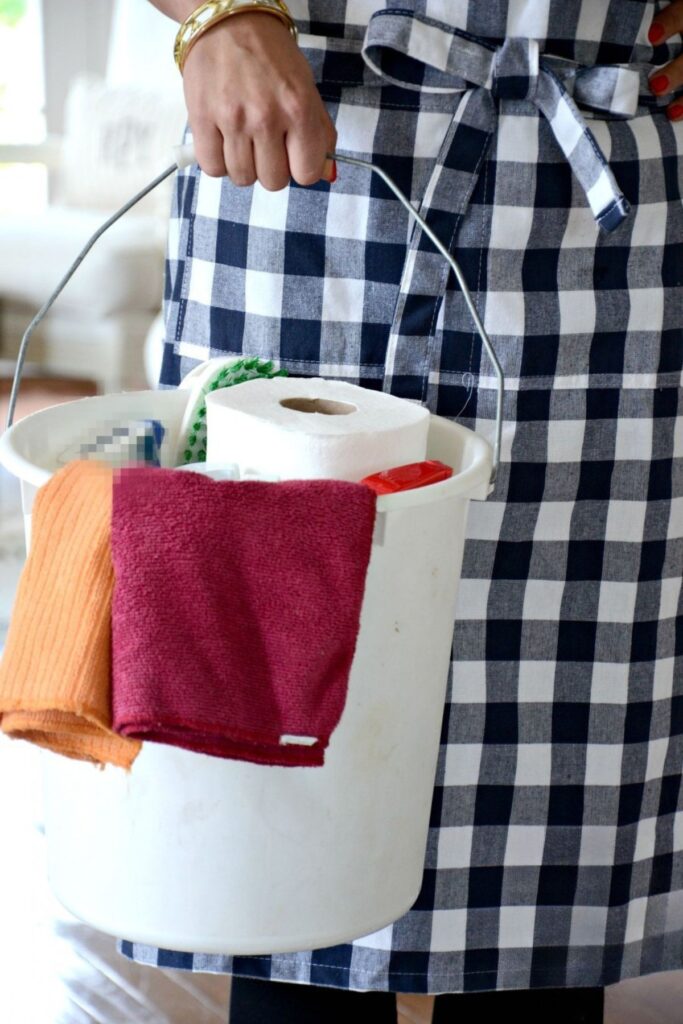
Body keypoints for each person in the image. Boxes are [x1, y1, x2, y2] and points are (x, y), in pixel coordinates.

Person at [121, 1, 683, 1021]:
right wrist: (212, 15)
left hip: (588, 210)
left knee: (540, 854)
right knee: (282, 803)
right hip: (307, 162)